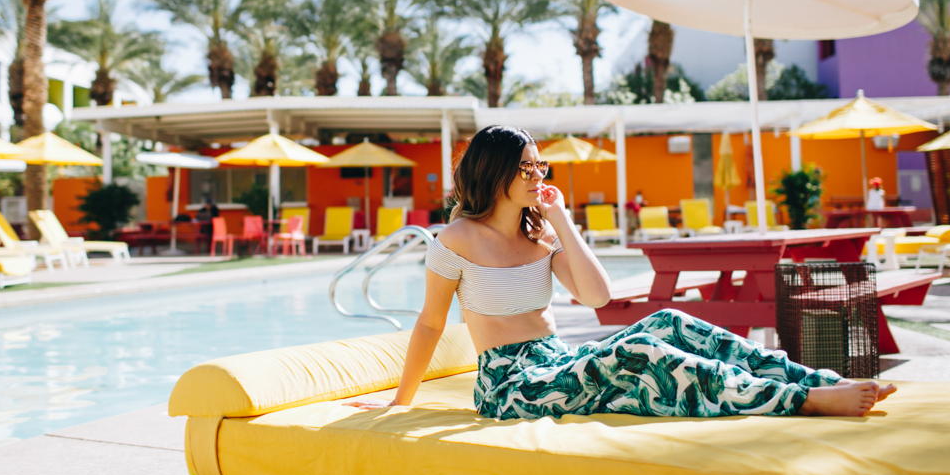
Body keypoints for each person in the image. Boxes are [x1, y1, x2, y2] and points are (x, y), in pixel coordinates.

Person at [347, 125, 894, 420]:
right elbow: (429, 324)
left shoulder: (540, 232)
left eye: (541, 166)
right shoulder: (456, 239)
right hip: (511, 385)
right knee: (635, 354)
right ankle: (803, 402)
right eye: (527, 168)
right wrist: (401, 401)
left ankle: (820, 380)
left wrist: (561, 218)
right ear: (495, 174)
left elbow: (598, 296)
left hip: (555, 362)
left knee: (673, 324)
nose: (539, 175)